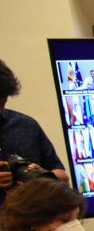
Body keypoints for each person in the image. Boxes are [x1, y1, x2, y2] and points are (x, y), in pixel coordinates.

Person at [0, 59, 69, 203]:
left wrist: (40, 177)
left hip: (33, 220)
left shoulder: (26, 125)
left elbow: (62, 176)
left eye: (2, 102)